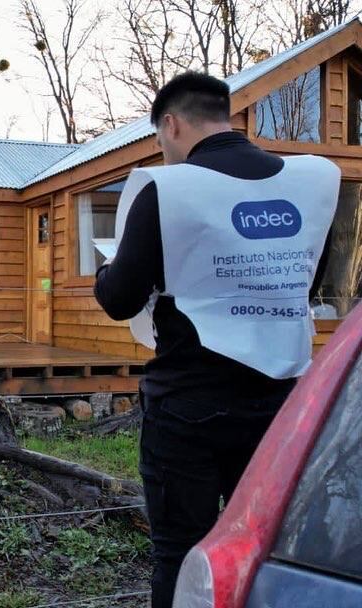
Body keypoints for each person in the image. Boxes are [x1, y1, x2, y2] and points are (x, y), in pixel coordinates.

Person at [94, 72, 338, 608]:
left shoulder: (168, 188)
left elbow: (118, 300)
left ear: (171, 123)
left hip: (188, 404)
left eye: (160, 137)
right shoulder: (311, 182)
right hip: (281, 404)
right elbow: (306, 281)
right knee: (270, 548)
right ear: (226, 116)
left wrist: (110, 265)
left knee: (180, 553)